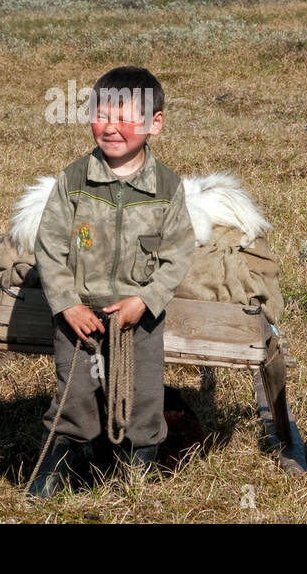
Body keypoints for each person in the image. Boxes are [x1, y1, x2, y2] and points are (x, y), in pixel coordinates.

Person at [28, 66, 196, 499]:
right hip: (80, 315)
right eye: (102, 114)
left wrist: (147, 298)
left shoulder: (166, 187)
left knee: (141, 397)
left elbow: (178, 254)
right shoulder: (74, 180)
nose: (112, 126)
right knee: (75, 394)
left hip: (138, 317)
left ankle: (134, 475)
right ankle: (58, 466)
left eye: (127, 117)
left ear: (154, 124)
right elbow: (49, 247)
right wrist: (67, 304)